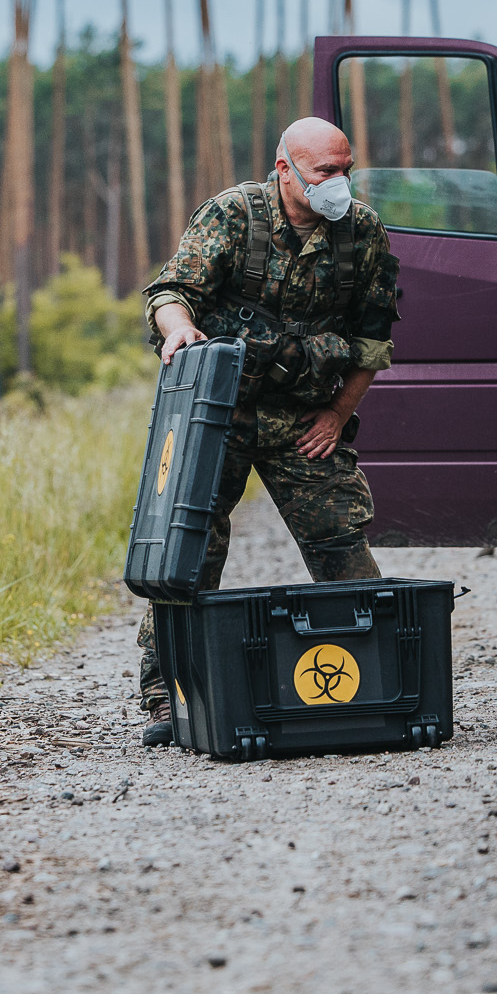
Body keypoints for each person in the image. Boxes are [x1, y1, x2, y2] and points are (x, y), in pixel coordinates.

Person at [137, 117, 401, 746]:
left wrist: (338, 414)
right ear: (284, 168)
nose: (338, 183)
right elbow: (171, 291)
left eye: (345, 169)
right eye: (323, 172)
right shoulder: (232, 216)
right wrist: (178, 328)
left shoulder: (360, 230)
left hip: (302, 419)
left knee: (341, 544)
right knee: (189, 548)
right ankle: (166, 690)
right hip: (219, 414)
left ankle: (382, 681)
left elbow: (374, 338)